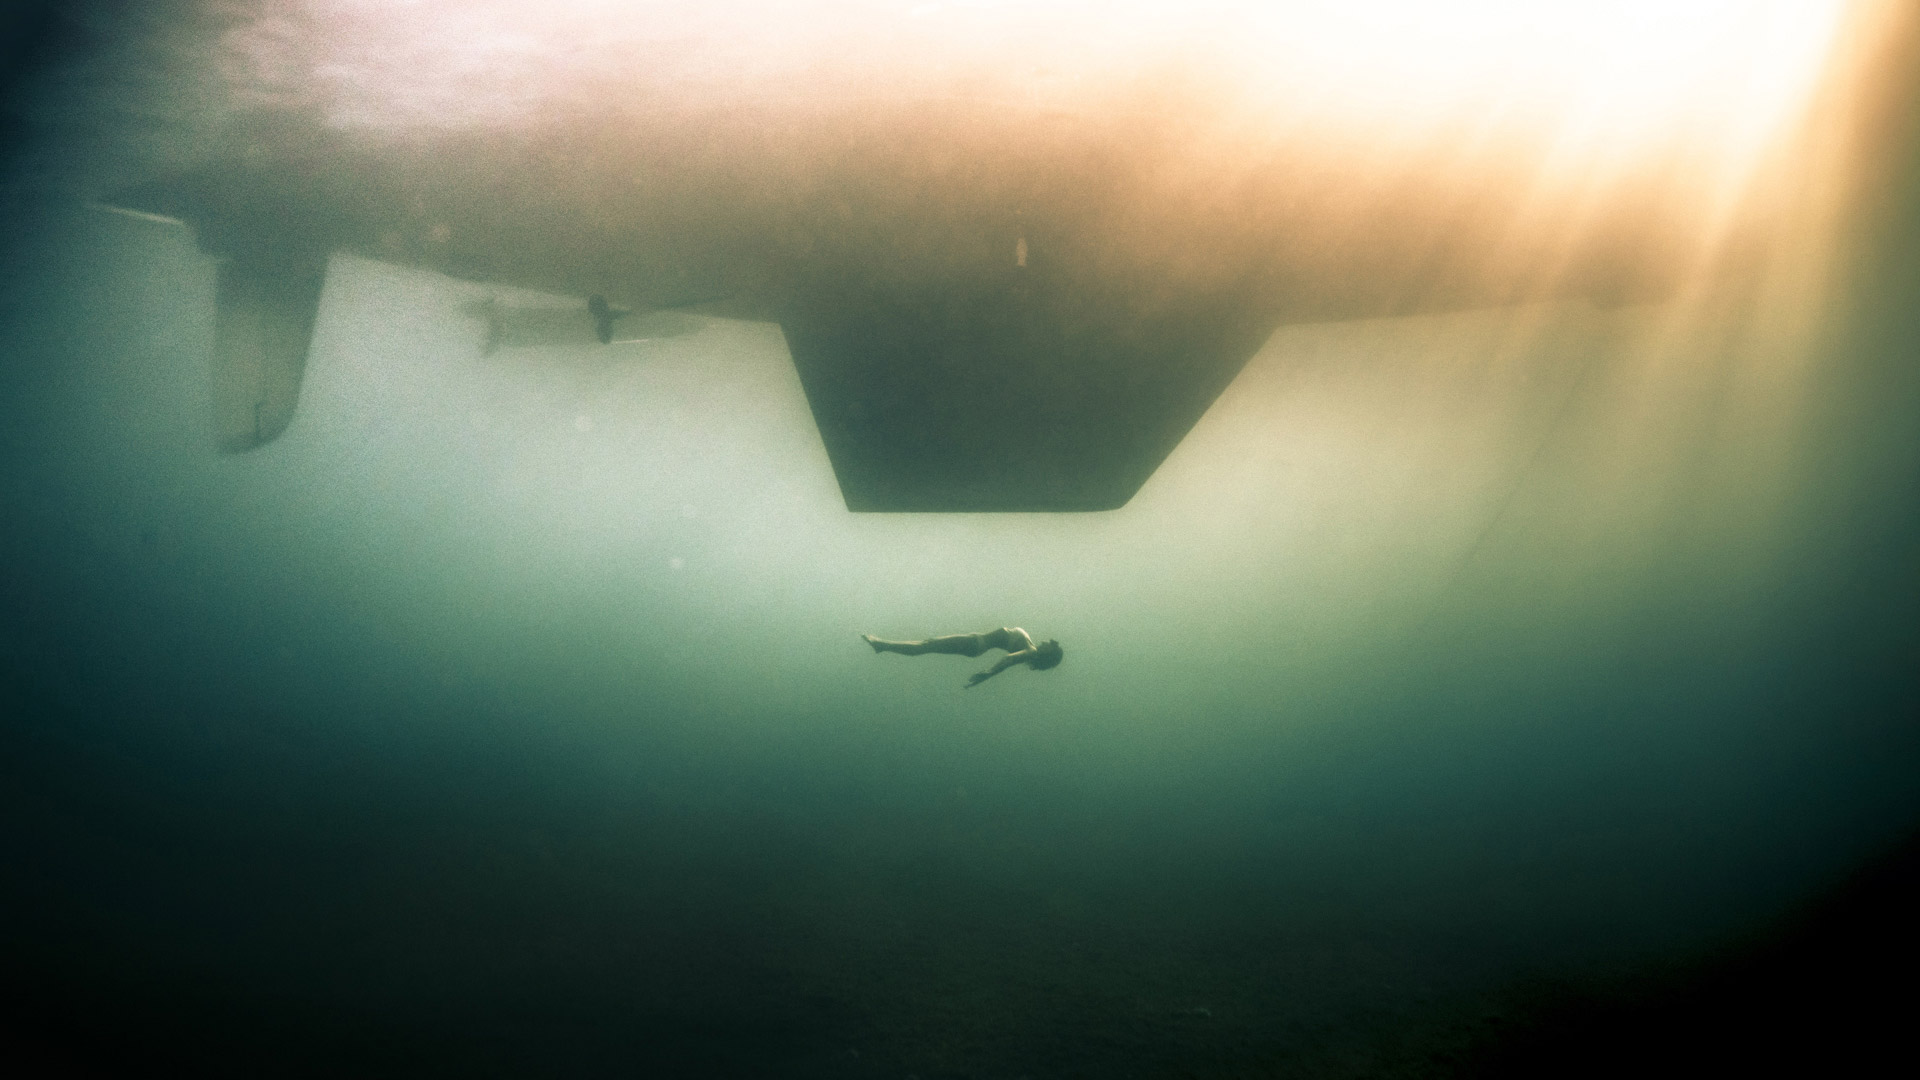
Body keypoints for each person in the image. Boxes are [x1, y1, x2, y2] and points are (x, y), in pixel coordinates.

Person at [862, 627, 1064, 687]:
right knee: (927, 644)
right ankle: (882, 645)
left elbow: (1008, 660)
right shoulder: (1031, 647)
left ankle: (881, 645)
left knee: (927, 645)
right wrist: (988, 674)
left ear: (1048, 653)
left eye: (1051, 645)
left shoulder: (1031, 652)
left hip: (976, 644)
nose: (1047, 641)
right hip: (975, 644)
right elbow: (1009, 660)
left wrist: (988, 673)